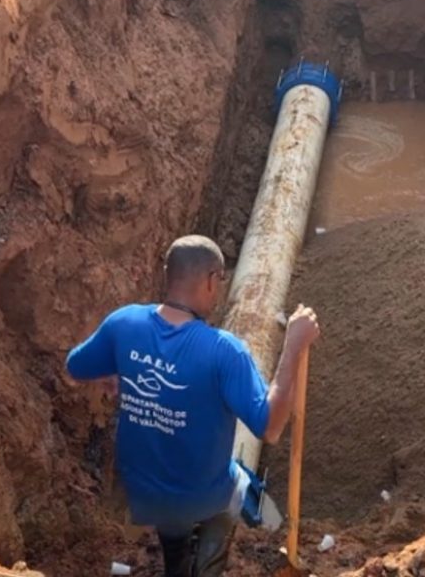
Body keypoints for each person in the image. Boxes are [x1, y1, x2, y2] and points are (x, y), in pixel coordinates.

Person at [65, 235, 319, 577]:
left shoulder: (123, 324)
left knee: (175, 518)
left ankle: (178, 564)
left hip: (142, 490)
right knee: (241, 483)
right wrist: (293, 346)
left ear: (167, 274)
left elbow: (75, 366)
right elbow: (270, 428)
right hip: (198, 494)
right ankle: (232, 549)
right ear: (212, 280)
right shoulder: (225, 351)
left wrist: (116, 367)